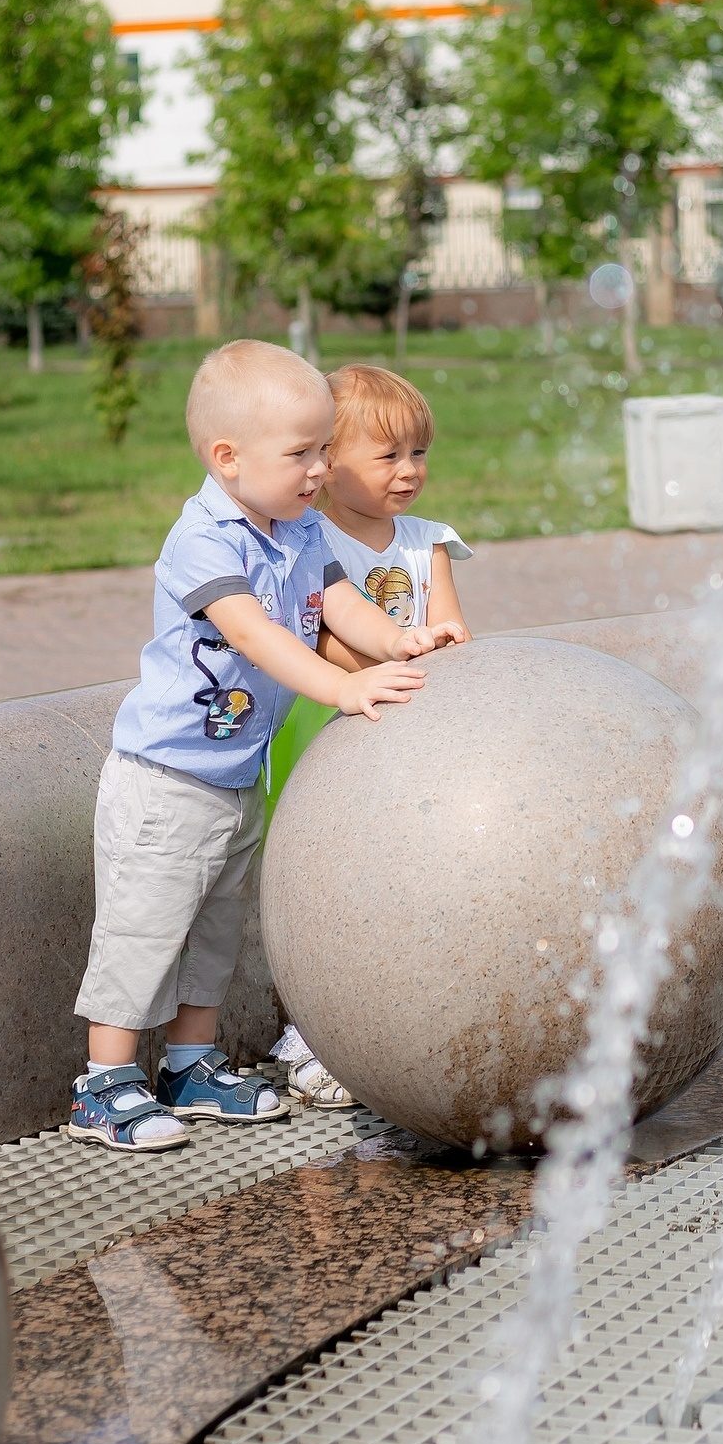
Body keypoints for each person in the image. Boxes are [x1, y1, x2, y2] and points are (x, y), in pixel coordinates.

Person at [68, 340, 465, 1153]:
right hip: (167, 779)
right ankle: (103, 1085)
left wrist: (401, 641)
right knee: (145, 930)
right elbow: (256, 636)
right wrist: (342, 688)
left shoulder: (297, 529)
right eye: (301, 454)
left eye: (324, 450)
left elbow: (341, 605)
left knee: (215, 930)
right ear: (228, 458)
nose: (320, 469)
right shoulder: (205, 540)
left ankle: (189, 1064)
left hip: (236, 773)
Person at [261, 362, 474, 1109]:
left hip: (409, 729)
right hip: (325, 729)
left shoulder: (425, 542)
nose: (409, 471)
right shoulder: (304, 541)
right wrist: (395, 659)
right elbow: (316, 640)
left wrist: (436, 653)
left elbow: (452, 632)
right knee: (321, 885)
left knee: (405, 880)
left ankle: (397, 1021)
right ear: (327, 462)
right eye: (387, 456)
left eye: (418, 452)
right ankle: (306, 1039)